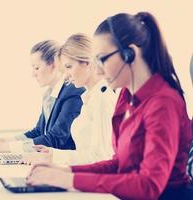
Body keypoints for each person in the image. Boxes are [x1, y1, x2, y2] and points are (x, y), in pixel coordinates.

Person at [26, 12, 192, 200]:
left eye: (102, 59)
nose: (97, 69)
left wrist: (70, 180)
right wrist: (65, 171)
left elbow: (149, 186)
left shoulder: (163, 102)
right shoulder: (126, 97)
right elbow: (118, 163)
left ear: (130, 54)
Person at [21, 33, 116, 165]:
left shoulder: (102, 98)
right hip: (81, 174)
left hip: (88, 180)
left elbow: (101, 158)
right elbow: (85, 153)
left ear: (87, 63)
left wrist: (54, 157)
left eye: (68, 67)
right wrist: (52, 154)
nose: (66, 76)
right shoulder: (89, 98)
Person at [0, 40, 85, 153]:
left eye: (36, 68)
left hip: (63, 162)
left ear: (54, 65)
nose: (33, 74)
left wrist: (7, 148)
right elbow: (38, 131)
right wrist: (4, 141)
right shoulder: (49, 95)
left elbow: (56, 138)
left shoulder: (73, 92)